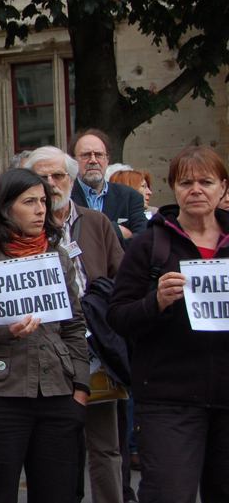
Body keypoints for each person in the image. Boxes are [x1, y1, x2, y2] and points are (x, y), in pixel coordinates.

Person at [0, 167, 90, 503]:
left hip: (57, 394)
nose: (41, 210)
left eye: (43, 201)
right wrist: (2, 326)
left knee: (59, 493)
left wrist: (80, 390)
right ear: (6, 207)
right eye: (29, 202)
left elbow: (74, 327)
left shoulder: (58, 256)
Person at [107, 146, 229, 503]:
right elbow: (118, 316)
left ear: (223, 187)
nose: (196, 190)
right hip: (167, 402)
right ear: (173, 188)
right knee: (168, 495)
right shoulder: (149, 247)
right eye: (186, 182)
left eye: (206, 182)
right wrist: (154, 302)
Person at [25, 147, 126, 503]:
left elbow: (121, 280)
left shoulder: (97, 224)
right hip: (43, 352)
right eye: (42, 177)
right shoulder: (19, 231)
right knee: (57, 449)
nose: (51, 185)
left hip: (94, 348)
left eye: (58, 176)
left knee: (105, 445)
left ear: (72, 179)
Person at [69, 130, 147, 243]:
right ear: (74, 161)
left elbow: (142, 241)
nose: (93, 160)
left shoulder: (130, 197)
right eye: (86, 155)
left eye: (99, 155)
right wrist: (116, 230)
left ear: (107, 160)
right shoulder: (66, 198)